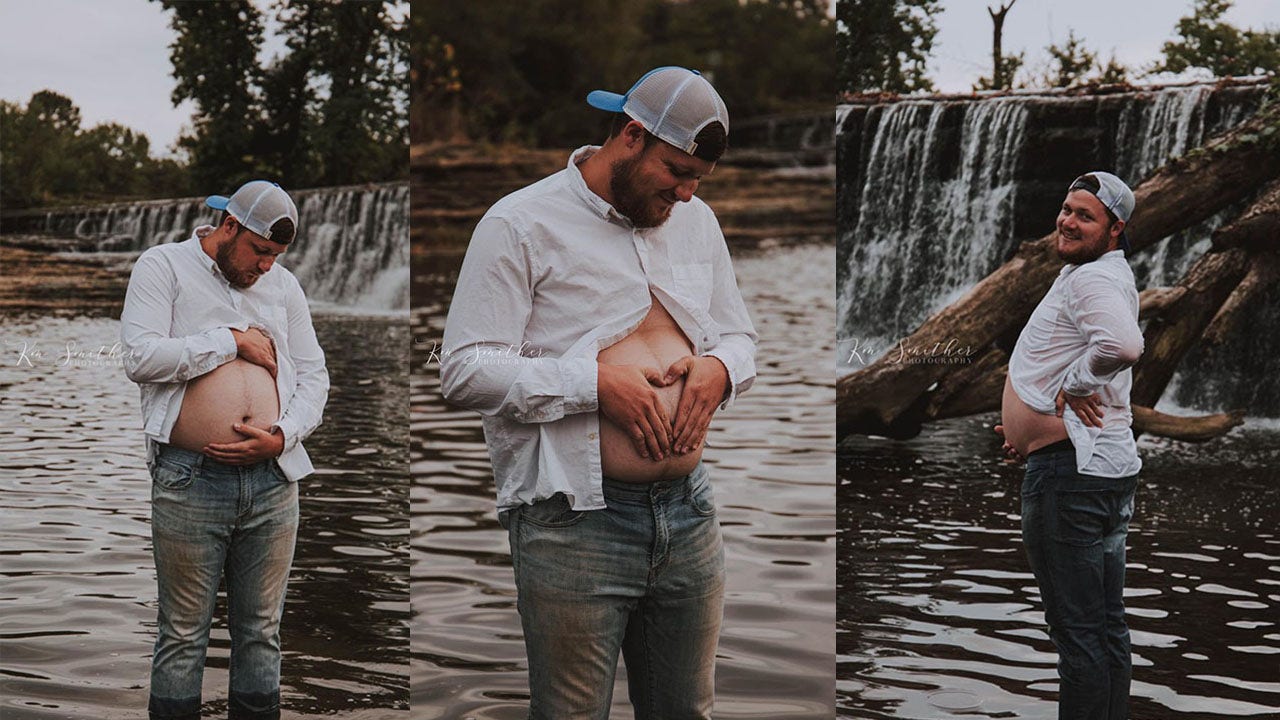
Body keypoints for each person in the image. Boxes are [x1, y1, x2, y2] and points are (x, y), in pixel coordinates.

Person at [440, 66, 758, 718]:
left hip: (690, 514)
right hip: (572, 522)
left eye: (700, 179)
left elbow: (739, 335)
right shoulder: (520, 224)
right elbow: (466, 370)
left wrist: (720, 370)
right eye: (677, 171)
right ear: (632, 136)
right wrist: (593, 384)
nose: (690, 193)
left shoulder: (696, 222)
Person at [120, 180, 329, 720]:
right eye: (260, 252)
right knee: (184, 631)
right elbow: (140, 358)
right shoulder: (162, 266)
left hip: (274, 482)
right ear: (229, 227)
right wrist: (230, 340)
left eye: (276, 257)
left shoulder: (283, 286)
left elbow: (314, 375)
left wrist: (284, 435)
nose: (266, 267)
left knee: (261, 633)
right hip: (190, 479)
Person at [995, 171, 1144, 720]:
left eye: (1085, 215)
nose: (1067, 220)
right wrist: (1023, 428)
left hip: (1071, 476)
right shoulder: (1104, 275)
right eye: (1066, 209)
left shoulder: (1091, 281)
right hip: (1096, 467)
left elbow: (1123, 345)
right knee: (1106, 628)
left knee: (1078, 637)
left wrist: (1072, 386)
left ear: (1114, 229)